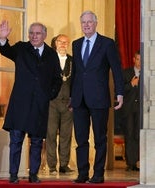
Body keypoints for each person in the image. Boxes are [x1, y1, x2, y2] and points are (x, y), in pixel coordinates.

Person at [0, 20, 62, 184]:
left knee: (36, 141)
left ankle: (33, 174)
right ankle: (13, 174)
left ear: (45, 35)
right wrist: (3, 39)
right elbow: (6, 51)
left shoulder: (51, 54)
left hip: (40, 105)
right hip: (20, 104)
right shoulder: (21, 48)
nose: (34, 36)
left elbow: (57, 79)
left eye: (38, 33)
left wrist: (49, 95)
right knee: (16, 140)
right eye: (31, 33)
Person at [70, 11, 124, 183]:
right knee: (81, 139)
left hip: (99, 98)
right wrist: (72, 96)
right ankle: (82, 173)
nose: (86, 25)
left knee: (100, 138)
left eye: (89, 22)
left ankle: (98, 174)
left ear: (96, 23)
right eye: (83, 22)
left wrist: (120, 92)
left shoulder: (107, 44)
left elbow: (116, 69)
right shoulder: (76, 44)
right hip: (79, 99)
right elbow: (77, 73)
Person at [46, 34, 74, 175]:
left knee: (66, 135)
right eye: (61, 42)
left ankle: (64, 165)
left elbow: (75, 81)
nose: (63, 44)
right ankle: (51, 165)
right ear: (55, 43)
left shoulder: (72, 61)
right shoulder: (49, 59)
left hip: (68, 103)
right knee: (50, 134)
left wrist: (74, 99)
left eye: (66, 42)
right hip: (52, 102)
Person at [121, 50, 141, 171]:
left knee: (139, 135)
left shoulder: (147, 73)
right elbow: (120, 90)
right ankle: (131, 163)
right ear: (134, 59)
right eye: (138, 59)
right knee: (129, 135)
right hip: (128, 110)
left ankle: (140, 161)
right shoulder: (126, 73)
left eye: (141, 59)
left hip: (142, 110)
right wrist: (131, 84)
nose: (139, 62)